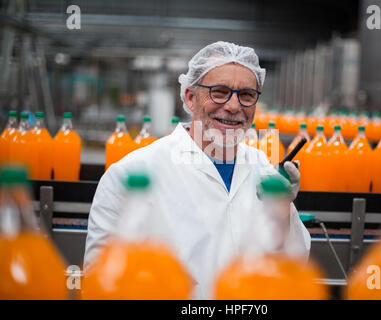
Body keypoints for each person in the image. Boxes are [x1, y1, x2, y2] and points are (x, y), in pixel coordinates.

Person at [84, 41, 311, 299]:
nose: (234, 106)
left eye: (246, 95)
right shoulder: (129, 175)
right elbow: (99, 281)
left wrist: (282, 209)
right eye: (219, 91)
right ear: (190, 98)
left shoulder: (265, 169)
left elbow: (295, 266)